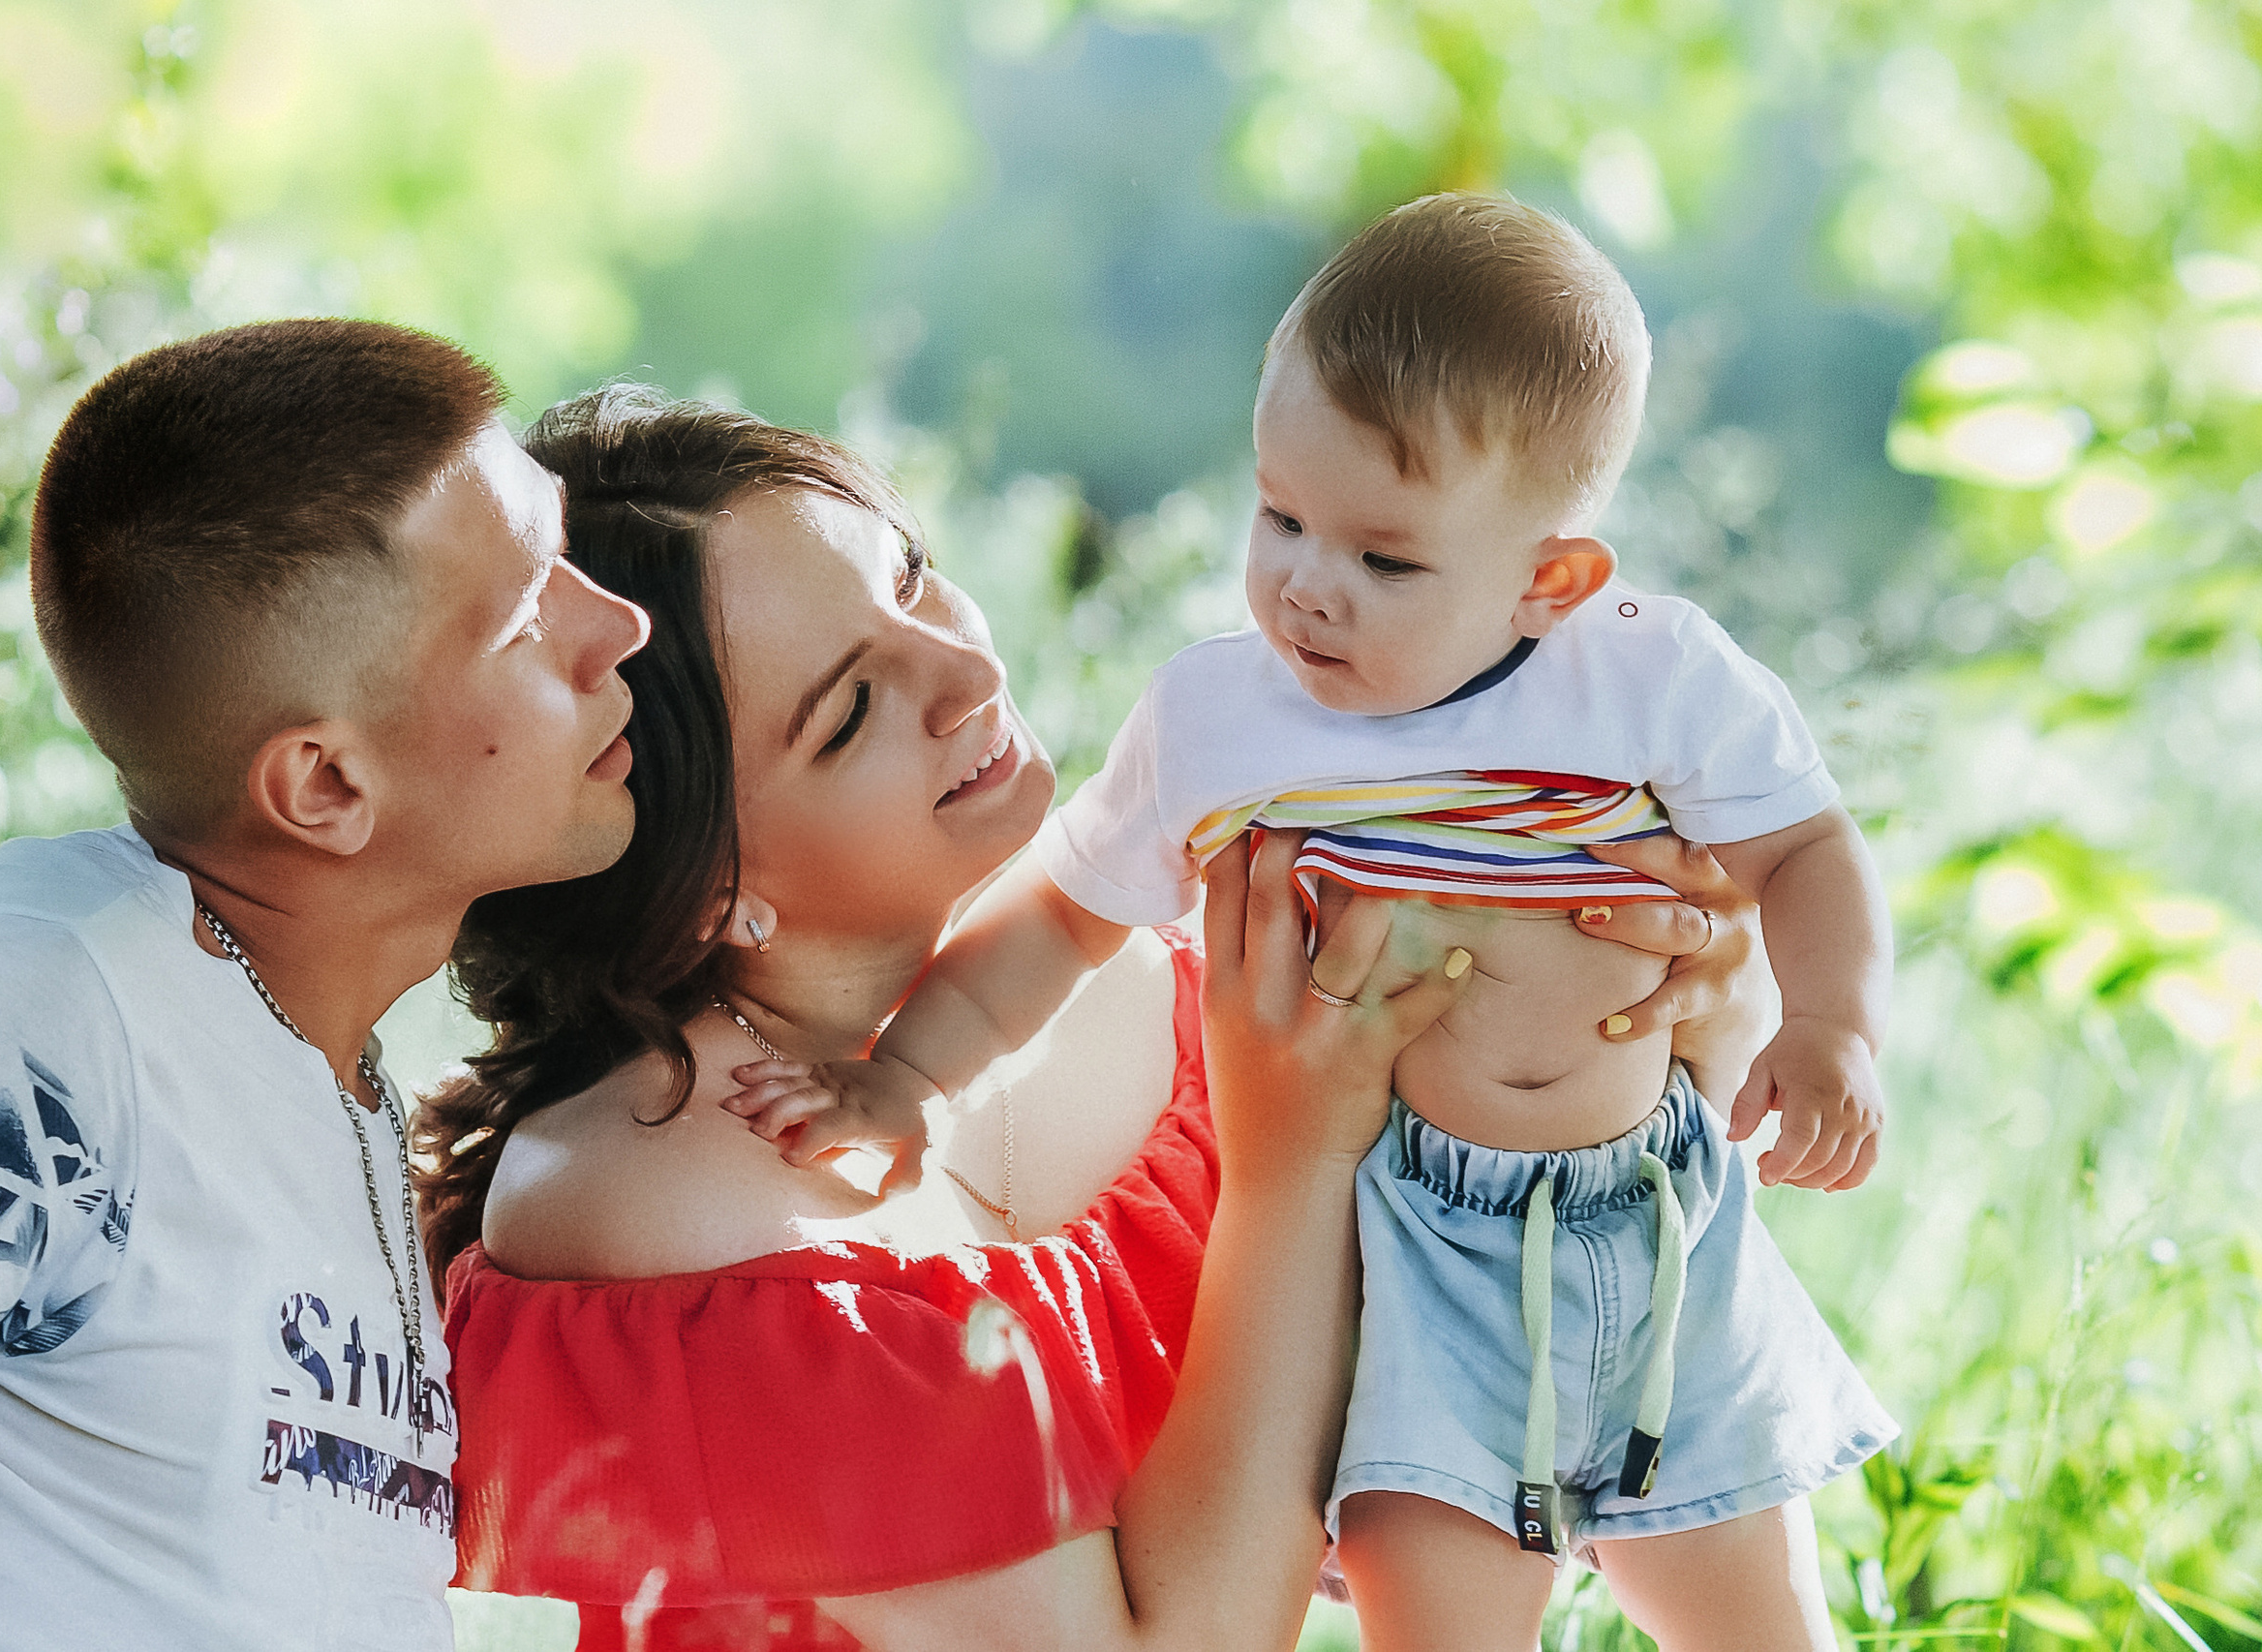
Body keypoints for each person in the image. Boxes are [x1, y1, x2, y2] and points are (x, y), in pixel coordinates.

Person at [413, 387, 1771, 1652]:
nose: (962, 666)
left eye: (910, 575)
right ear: (713, 889)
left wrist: (1685, 991)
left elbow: (1569, 1268)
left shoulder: (1117, 945)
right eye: (851, 711)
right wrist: (1291, 1162)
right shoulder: (671, 1202)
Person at [750, 193, 1899, 1651]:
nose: (1306, 586)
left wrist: (1833, 1024)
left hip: (1652, 1221)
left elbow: (1806, 849)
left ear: (1551, 580)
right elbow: (1061, 914)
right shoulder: (1220, 719)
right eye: (1280, 515)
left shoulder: (1649, 675)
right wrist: (909, 1075)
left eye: (1384, 559)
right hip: (1406, 1255)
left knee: (1763, 1625)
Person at [0, 320, 650, 1652]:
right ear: (325, 784)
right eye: (524, 618)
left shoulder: (332, 1074)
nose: (619, 626)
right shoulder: (46, 1003)